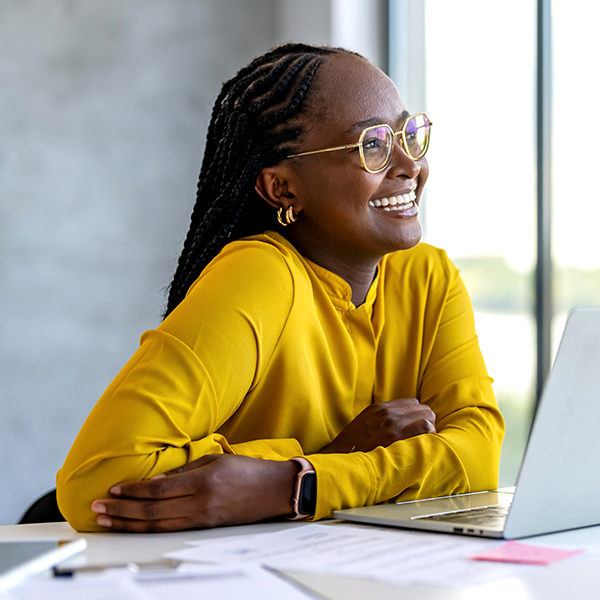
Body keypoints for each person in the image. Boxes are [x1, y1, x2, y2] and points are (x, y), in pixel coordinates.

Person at [56, 43, 504, 533]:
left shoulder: (429, 278)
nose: (409, 165)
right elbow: (96, 482)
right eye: (372, 145)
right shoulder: (259, 275)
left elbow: (478, 459)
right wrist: (324, 464)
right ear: (282, 188)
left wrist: (295, 481)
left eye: (407, 133)